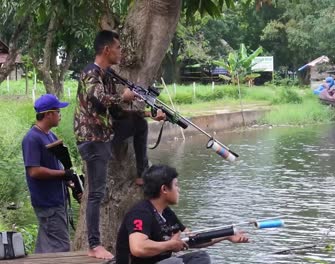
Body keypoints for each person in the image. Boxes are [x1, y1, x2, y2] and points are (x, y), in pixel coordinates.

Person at [74, 30, 136, 259]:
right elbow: (97, 97)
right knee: (96, 193)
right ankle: (94, 246)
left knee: (98, 192)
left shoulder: (106, 74)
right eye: (118, 48)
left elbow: (116, 110)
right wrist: (124, 97)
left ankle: (95, 244)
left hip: (101, 137)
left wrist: (149, 112)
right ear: (107, 49)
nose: (121, 52)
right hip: (91, 138)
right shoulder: (92, 72)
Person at [115, 165, 249, 264]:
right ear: (164, 189)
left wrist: (226, 235)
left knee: (200, 258)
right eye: (176, 185)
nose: (179, 189)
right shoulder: (141, 213)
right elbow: (138, 248)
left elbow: (192, 240)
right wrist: (170, 245)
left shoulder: (167, 213)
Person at [22, 94, 75, 253]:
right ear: (48, 114)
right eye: (58, 111)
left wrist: (69, 181)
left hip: (57, 200)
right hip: (48, 203)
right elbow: (34, 171)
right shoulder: (32, 139)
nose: (60, 115)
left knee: (45, 248)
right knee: (61, 247)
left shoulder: (50, 136)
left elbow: (55, 166)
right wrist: (62, 174)